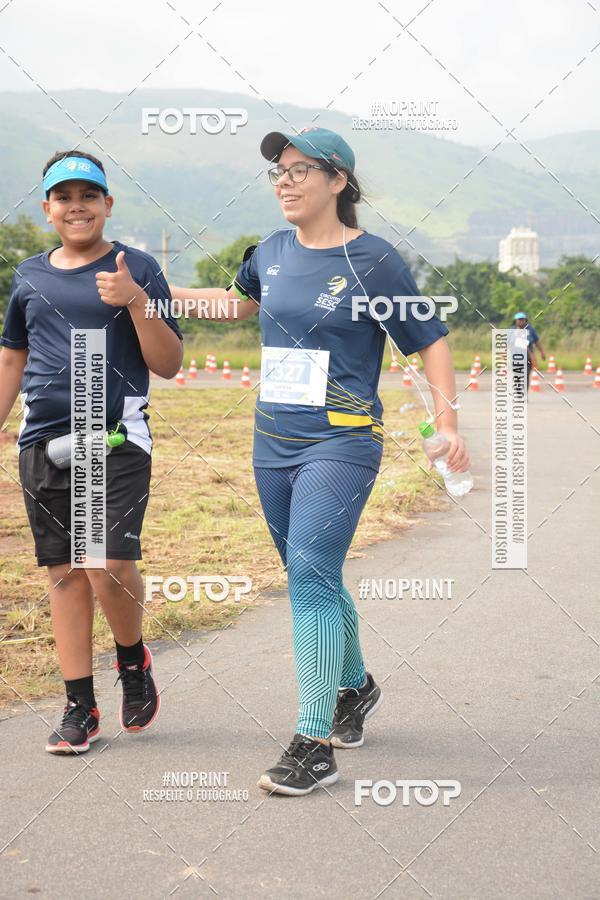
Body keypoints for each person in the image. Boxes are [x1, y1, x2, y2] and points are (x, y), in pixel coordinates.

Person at [170, 126, 470, 796]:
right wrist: (152, 296)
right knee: (314, 573)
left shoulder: (375, 261)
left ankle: (313, 744)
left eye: (301, 169)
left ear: (339, 181)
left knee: (309, 570)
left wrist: (446, 425)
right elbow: (235, 305)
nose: (285, 179)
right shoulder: (270, 252)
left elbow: (431, 340)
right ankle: (355, 687)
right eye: (277, 170)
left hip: (342, 440)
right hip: (271, 442)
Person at [0, 151, 183, 753]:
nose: (76, 206)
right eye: (64, 196)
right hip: (45, 444)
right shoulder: (28, 276)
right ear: (47, 208)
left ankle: (132, 662)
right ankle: (79, 705)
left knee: (106, 562)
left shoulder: (139, 267)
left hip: (116, 439)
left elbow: (169, 363)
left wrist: (133, 299)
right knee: (65, 573)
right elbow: (12, 358)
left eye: (89, 195)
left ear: (108, 204)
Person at [513, 311, 546, 390]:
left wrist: (542, 352)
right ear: (516, 321)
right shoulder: (512, 330)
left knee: (526, 376)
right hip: (515, 357)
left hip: (528, 358)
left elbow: (536, 341)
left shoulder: (530, 329)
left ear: (525, 320)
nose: (521, 321)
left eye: (522, 320)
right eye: (519, 320)